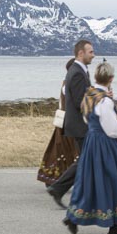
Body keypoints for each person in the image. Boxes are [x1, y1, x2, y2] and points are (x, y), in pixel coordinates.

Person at [63, 61, 117, 234]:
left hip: (91, 141)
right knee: (113, 181)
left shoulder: (89, 94)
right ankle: (113, 228)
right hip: (105, 145)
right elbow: (112, 130)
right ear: (111, 79)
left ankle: (74, 218)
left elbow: (87, 120)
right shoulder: (105, 100)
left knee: (90, 182)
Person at [46, 39, 94, 208]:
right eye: (91, 52)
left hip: (79, 125)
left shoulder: (80, 71)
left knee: (86, 159)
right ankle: (59, 187)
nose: (93, 55)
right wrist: (99, 108)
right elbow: (80, 102)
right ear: (81, 53)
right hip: (81, 125)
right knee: (86, 159)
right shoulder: (77, 72)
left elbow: (84, 95)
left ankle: (64, 189)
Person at [37, 58, 81, 186]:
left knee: (63, 152)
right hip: (68, 124)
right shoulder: (69, 84)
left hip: (66, 123)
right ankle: (58, 179)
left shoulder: (68, 83)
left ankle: (57, 179)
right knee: (68, 152)